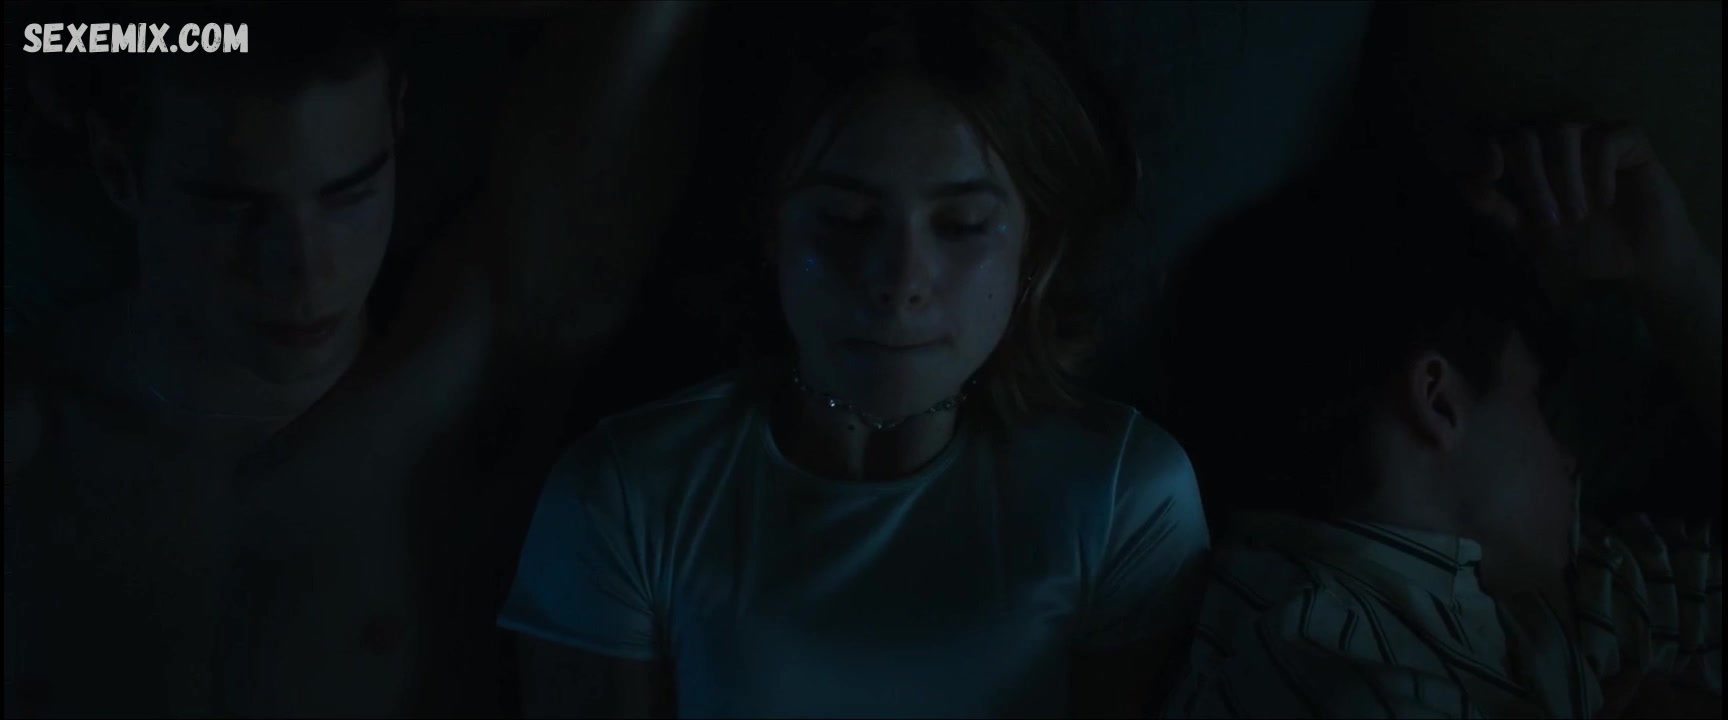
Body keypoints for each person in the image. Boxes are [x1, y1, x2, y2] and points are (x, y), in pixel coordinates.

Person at [498, 5, 1210, 718]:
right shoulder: (626, 495)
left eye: (961, 225)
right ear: (771, 228)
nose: (899, 279)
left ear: (1034, 246)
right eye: (845, 218)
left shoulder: (1120, 497)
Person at [2, 2, 702, 716]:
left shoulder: (459, 377)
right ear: (119, 171)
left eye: (349, 195)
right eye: (234, 210)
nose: (304, 272)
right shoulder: (33, 444)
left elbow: (644, 32)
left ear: (398, 125)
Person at [1159, 123, 1721, 718]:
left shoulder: (1555, 592)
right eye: (1537, 404)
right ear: (1439, 401)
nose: (1571, 460)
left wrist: (1678, 276)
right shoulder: (1320, 660)